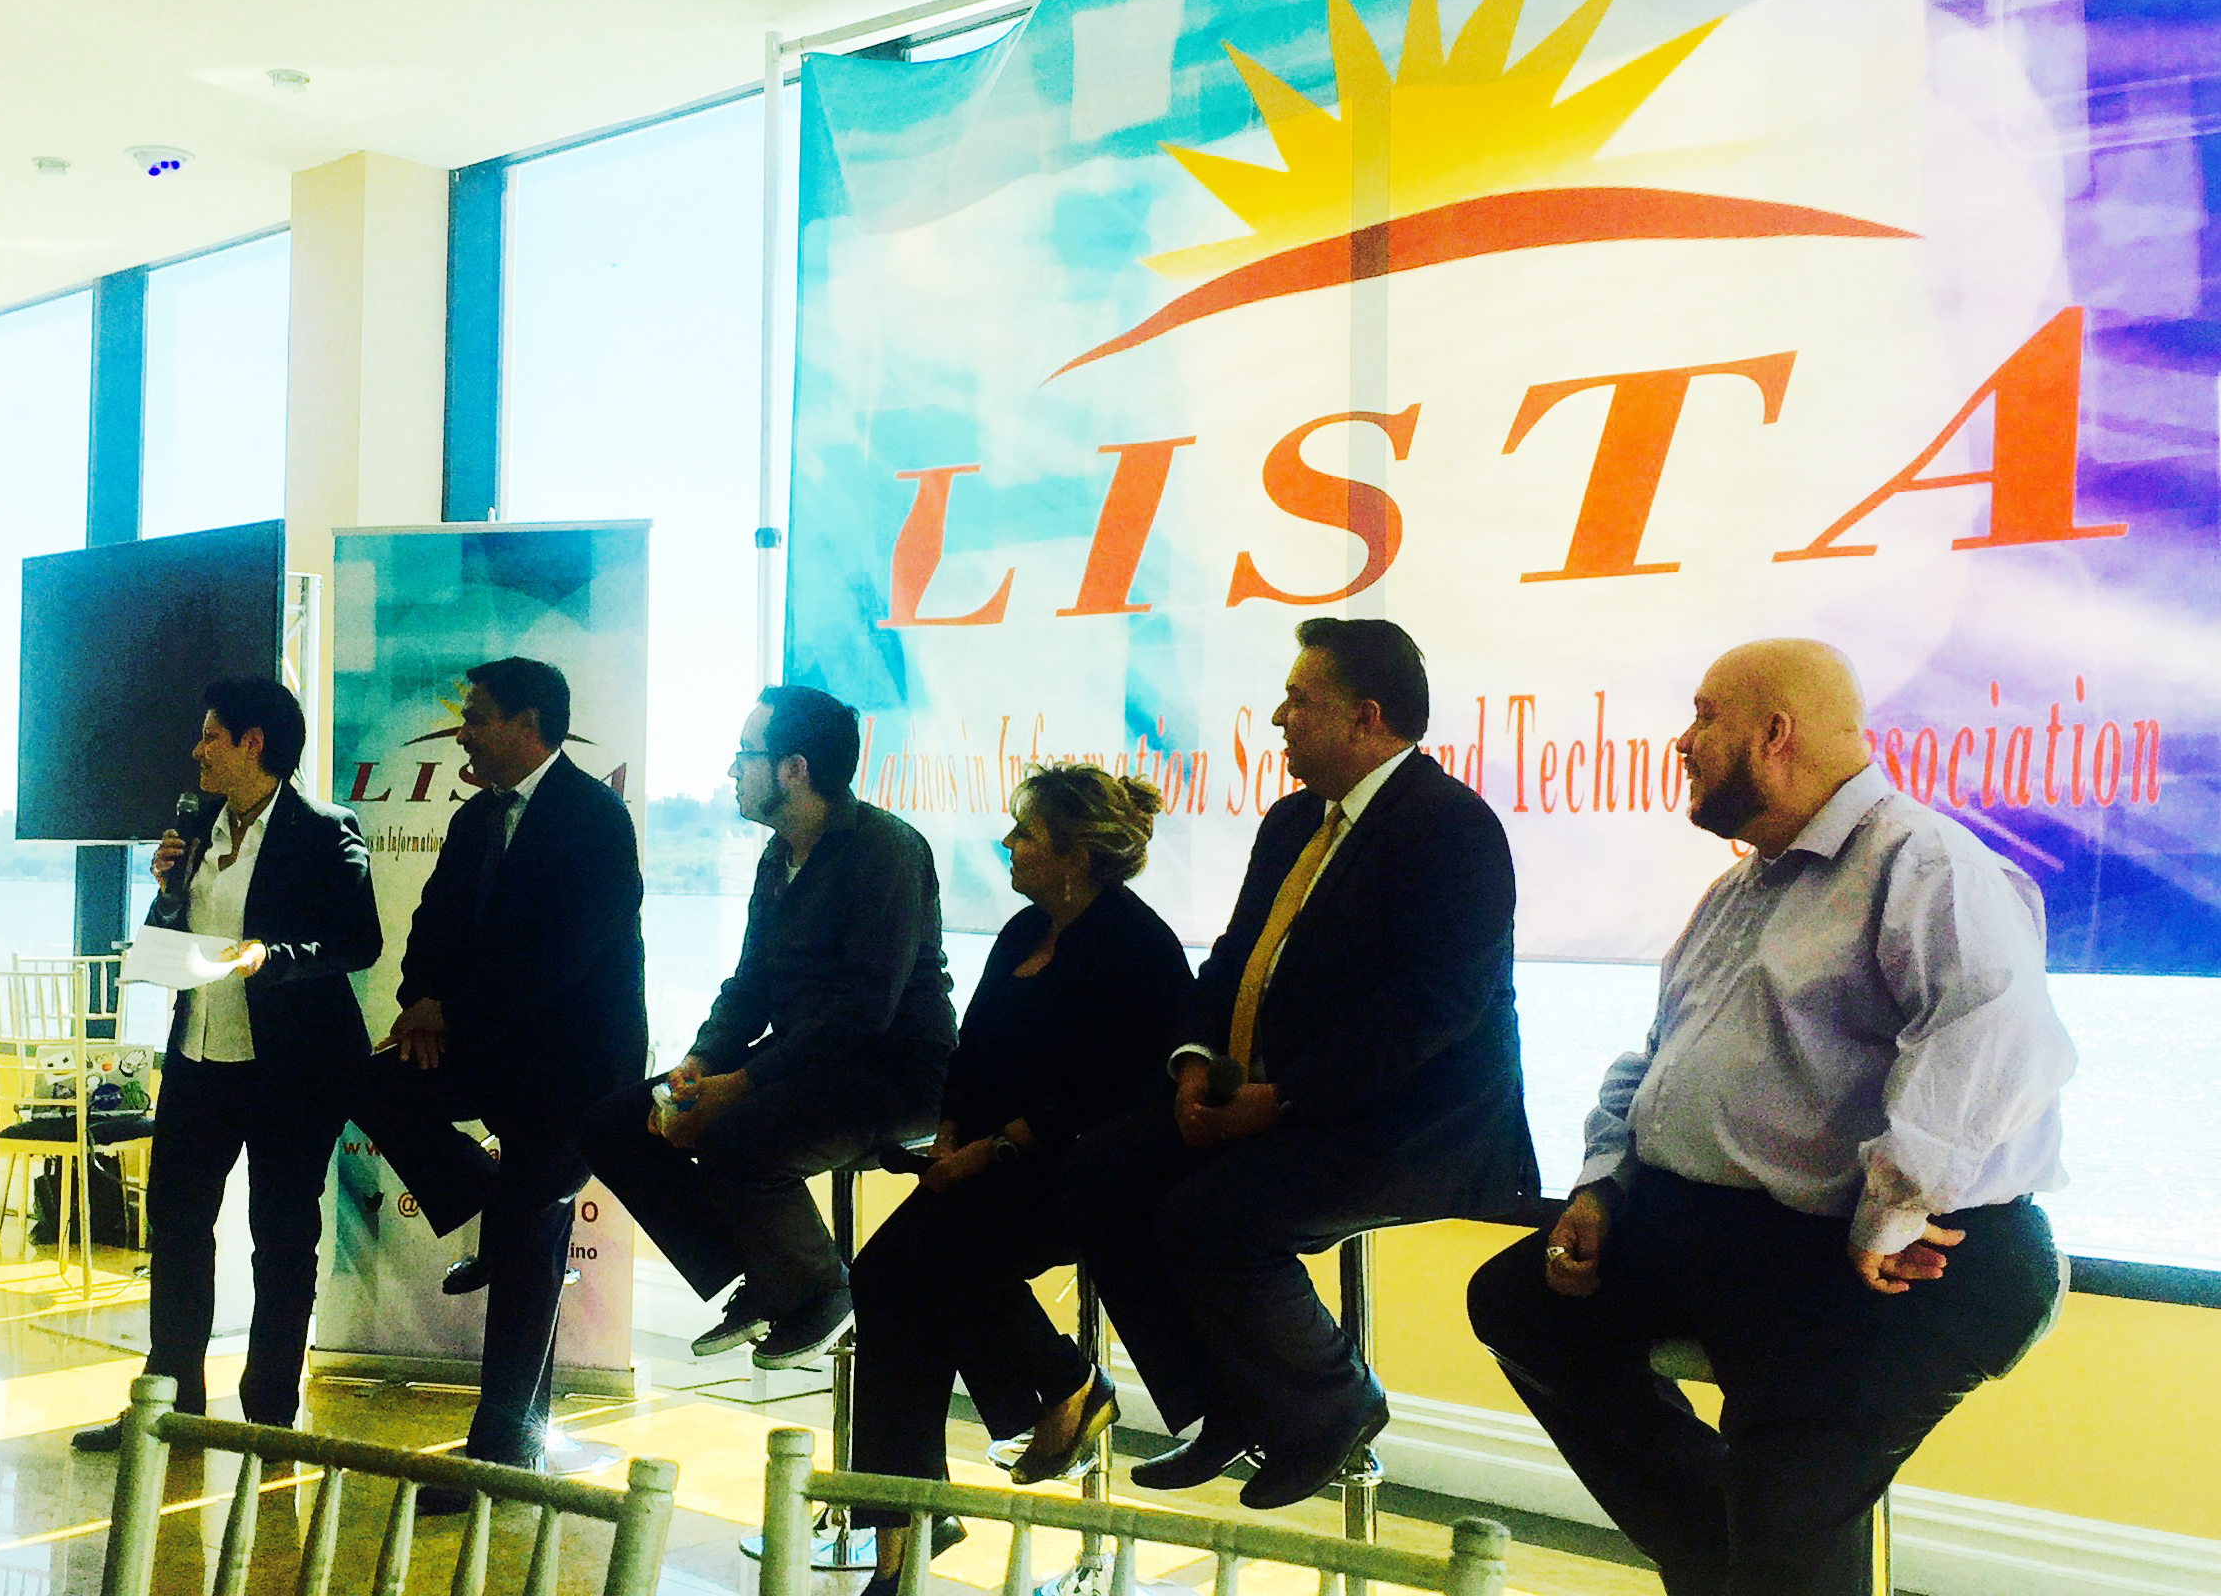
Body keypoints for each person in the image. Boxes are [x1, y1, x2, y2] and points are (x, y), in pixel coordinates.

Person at [1466, 639, 2074, 1596]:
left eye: (1705, 717)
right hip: (1737, 1230)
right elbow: (1662, 1058)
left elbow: (1996, 1038)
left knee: (1789, 1495)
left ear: (1775, 734)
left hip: (1897, 1254)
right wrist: (1602, 1185)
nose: (1682, 741)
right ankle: (1721, 1553)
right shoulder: (1740, 890)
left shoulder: (1921, 860)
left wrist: (1893, 1208)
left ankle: (1751, 1556)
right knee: (1520, 1304)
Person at [1063, 618, 1538, 1512]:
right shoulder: (1292, 822)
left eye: (1298, 700)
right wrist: (1194, 1062)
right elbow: (1235, 957)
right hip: (1281, 1102)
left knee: (1213, 1216)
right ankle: (1220, 1407)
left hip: (1415, 1127)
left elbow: (1432, 1009)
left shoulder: (1451, 826)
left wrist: (1282, 1100)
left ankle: (1333, 1405)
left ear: (1366, 718)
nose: (1278, 716)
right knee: (1101, 1174)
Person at [848, 765, 1192, 1594]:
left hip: (1083, 1171)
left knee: (925, 1265)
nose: (1007, 843)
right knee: (885, 1275)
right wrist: (953, 1134)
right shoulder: (1022, 931)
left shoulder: (1137, 947)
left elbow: (1105, 1093)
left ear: (1075, 855)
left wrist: (991, 1150)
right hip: (992, 1162)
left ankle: (1061, 1386)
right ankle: (909, 1529)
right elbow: (972, 1053)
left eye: (1025, 833)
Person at [576, 685, 956, 1370]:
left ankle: (822, 1290)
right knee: (619, 1123)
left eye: (745, 754)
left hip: (895, 1072)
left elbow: (863, 1013)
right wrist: (700, 1062)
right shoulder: (777, 857)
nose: (731, 770)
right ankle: (766, 1278)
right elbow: (750, 986)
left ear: (794, 769)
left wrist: (739, 1084)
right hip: (802, 1062)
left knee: (734, 1133)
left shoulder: (887, 850)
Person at [347, 656, 645, 1512]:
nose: (463, 733)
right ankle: (485, 1191)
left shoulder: (596, 817)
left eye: (476, 716)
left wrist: (452, 1013)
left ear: (526, 724)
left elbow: (560, 961)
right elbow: (431, 928)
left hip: (575, 1068)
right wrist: (420, 1004)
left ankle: (499, 1457)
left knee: (524, 1247)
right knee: (371, 1082)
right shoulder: (476, 817)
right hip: (486, 1045)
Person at [74, 678, 381, 1453]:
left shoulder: (325, 829)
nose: (197, 751)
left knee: (281, 1237)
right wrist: (165, 888)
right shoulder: (197, 823)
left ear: (253, 743)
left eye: (210, 736)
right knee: (177, 1226)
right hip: (199, 1057)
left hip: (291, 1068)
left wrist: (270, 956)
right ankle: (169, 1406)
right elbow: (172, 932)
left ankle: (269, 1419)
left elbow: (358, 941)